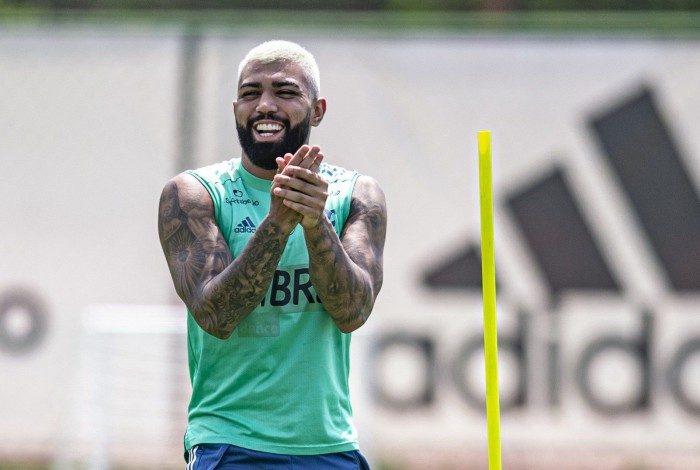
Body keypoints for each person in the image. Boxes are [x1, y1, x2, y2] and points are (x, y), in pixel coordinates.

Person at [158, 40, 387, 469]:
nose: (265, 105)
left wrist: (315, 223)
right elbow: (216, 316)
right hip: (231, 445)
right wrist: (277, 225)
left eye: (285, 92)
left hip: (330, 446)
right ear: (236, 110)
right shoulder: (194, 194)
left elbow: (353, 311)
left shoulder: (356, 195)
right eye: (250, 93)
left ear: (317, 110)